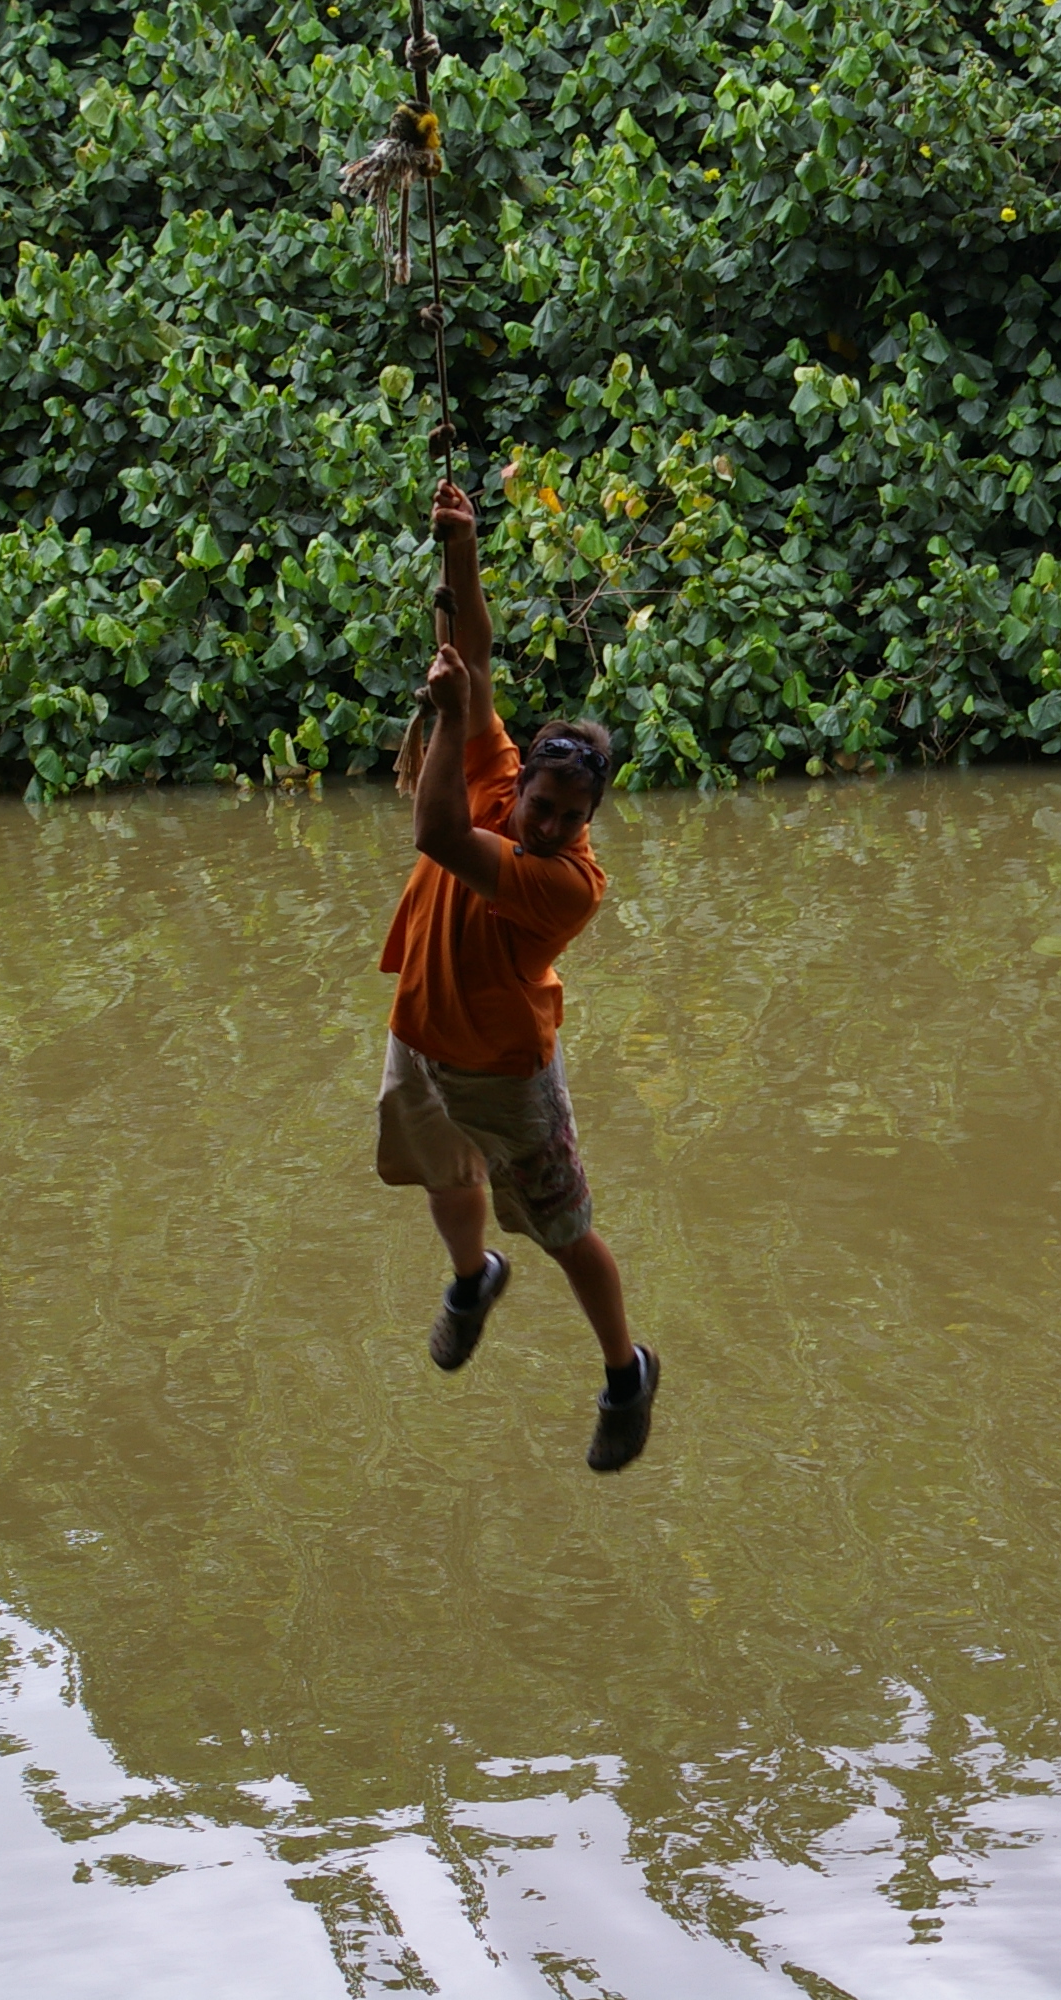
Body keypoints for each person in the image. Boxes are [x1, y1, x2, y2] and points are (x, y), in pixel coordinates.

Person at [372, 476, 660, 1473]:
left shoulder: (565, 885)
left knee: (564, 1226)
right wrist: (461, 539)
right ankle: (470, 1278)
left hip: (502, 1070)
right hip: (420, 1031)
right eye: (539, 803)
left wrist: (448, 715)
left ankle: (625, 1371)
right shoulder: (496, 773)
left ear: (584, 824)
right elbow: (478, 660)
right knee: (438, 1177)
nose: (543, 824)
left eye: (565, 818)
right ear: (525, 782)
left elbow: (438, 831)